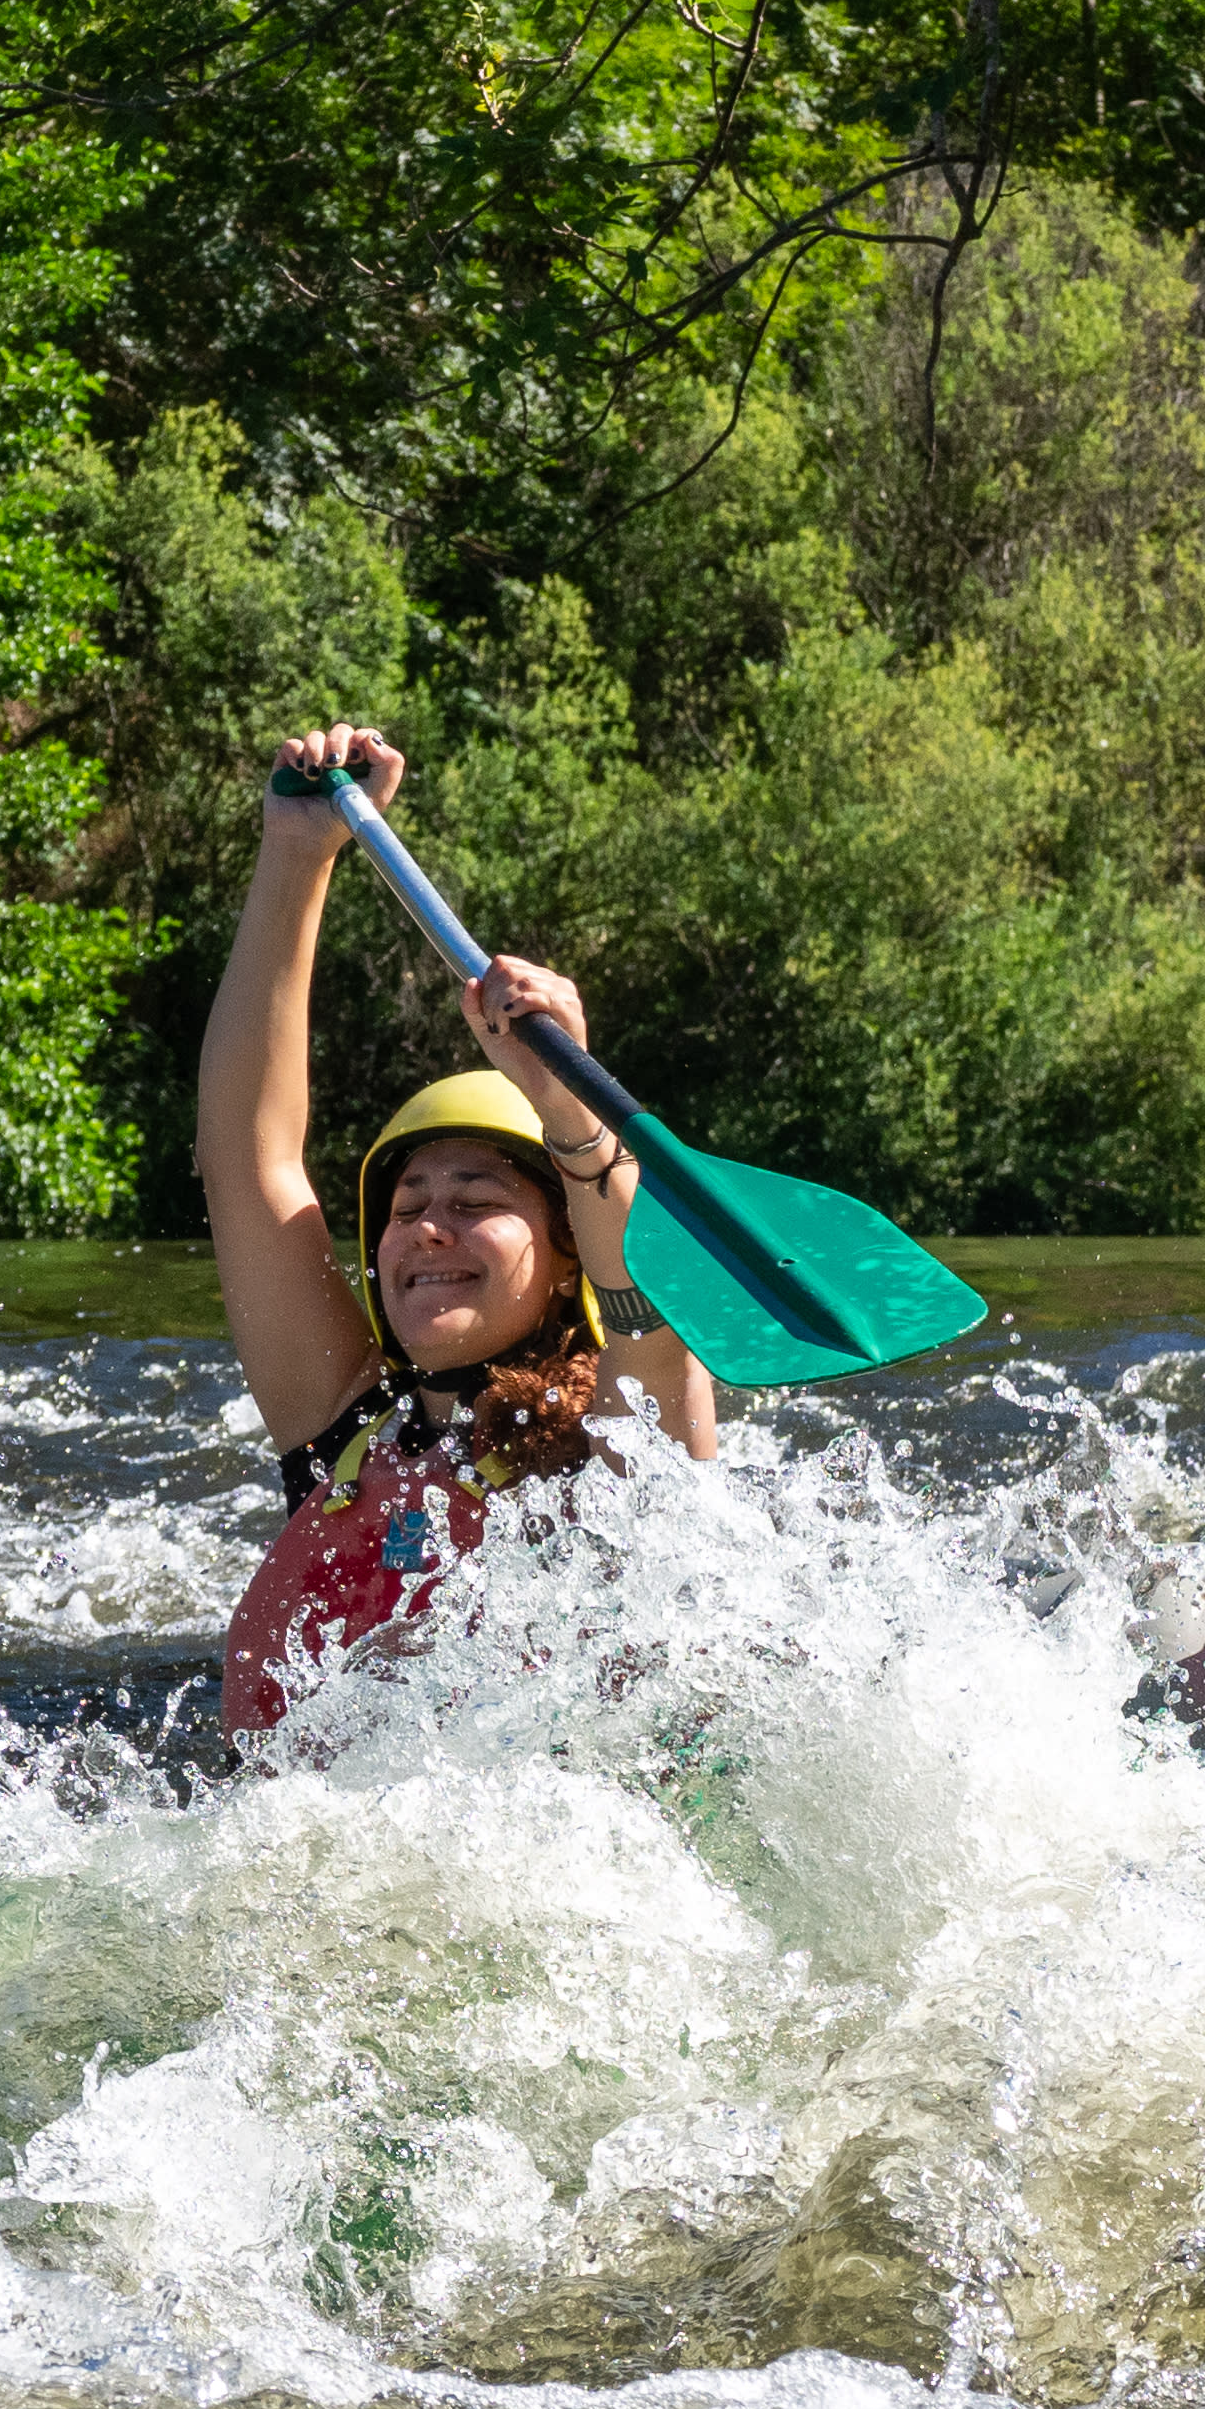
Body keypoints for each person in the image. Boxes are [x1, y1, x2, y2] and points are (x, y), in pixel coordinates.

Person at [205, 726, 721, 1735]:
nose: (429, 1231)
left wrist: (568, 1105)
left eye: (478, 1198)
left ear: (565, 1242)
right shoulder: (345, 1427)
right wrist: (296, 855)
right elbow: (245, 1158)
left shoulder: (618, 1441)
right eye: (406, 1209)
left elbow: (645, 1301)